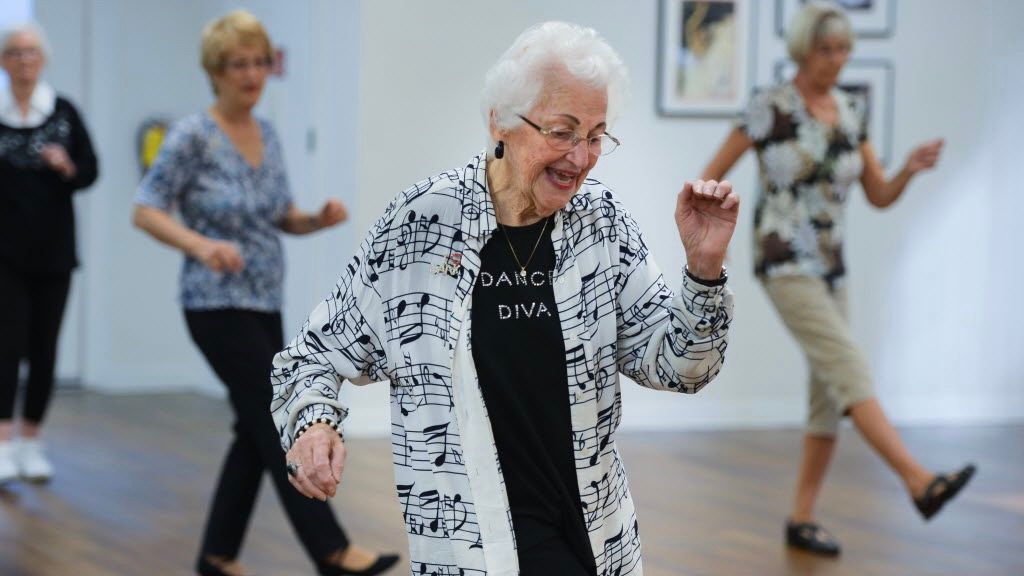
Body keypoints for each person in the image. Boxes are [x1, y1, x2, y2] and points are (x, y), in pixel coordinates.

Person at [272, 21, 738, 576]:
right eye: (562, 132)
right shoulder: (421, 228)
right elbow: (309, 359)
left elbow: (680, 368)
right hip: (474, 546)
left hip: (597, 537)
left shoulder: (602, 228)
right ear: (501, 121)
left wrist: (704, 271)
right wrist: (314, 424)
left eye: (596, 135)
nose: (582, 157)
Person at [701, 0, 974, 557]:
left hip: (832, 265)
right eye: (827, 48)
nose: (837, 59)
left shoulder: (851, 111)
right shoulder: (770, 106)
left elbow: (876, 195)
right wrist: (709, 244)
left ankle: (802, 518)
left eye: (845, 48)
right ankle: (918, 481)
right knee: (848, 368)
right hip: (782, 261)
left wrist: (908, 171)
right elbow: (710, 177)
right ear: (804, 50)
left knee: (829, 389)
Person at [132, 10, 398, 576]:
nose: (252, 74)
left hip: (264, 301)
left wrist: (314, 221)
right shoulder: (191, 136)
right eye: (238, 64)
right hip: (214, 302)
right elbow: (146, 209)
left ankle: (217, 555)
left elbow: (279, 216)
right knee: (273, 416)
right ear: (216, 71)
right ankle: (331, 551)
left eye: (259, 62)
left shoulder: (268, 133)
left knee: (250, 426)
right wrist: (202, 245)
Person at [0, 22, 98, 486]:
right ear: (3, 61)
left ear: (43, 59)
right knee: (6, 347)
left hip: (54, 252)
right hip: (4, 254)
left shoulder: (64, 113)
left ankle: (31, 442)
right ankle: (2, 443)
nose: (24, 60)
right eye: (15, 52)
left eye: (31, 52)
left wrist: (67, 167)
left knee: (44, 349)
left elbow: (89, 173)